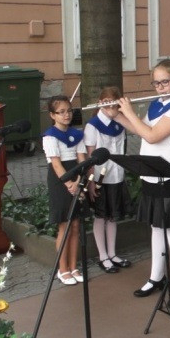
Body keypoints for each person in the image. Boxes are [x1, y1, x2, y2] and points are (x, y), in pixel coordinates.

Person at [116, 59, 170, 307]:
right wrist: (117, 115)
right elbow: (140, 129)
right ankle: (156, 276)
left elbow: (152, 136)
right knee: (156, 227)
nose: (160, 87)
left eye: (165, 82)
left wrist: (129, 112)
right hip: (151, 173)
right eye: (156, 83)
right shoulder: (157, 104)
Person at [83, 86, 132, 274]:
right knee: (101, 215)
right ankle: (103, 256)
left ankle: (112, 254)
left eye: (114, 103)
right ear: (101, 103)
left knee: (112, 216)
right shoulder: (93, 125)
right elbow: (90, 156)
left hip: (117, 176)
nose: (111, 107)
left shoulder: (120, 122)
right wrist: (91, 181)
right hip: (100, 178)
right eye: (107, 103)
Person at [42, 96, 87, 286]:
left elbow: (82, 160)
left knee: (76, 225)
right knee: (65, 226)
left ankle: (73, 266)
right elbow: (56, 164)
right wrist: (70, 184)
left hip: (76, 177)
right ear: (52, 115)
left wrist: (79, 181)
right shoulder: (50, 136)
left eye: (69, 111)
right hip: (60, 181)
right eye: (61, 112)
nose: (66, 115)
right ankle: (62, 269)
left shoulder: (77, 134)